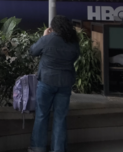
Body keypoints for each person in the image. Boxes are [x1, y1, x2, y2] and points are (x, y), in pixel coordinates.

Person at [28, 15, 80, 152]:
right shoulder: (73, 42)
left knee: (41, 115)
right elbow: (75, 56)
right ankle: (58, 149)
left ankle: (37, 148)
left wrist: (44, 35)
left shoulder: (47, 39)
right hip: (65, 83)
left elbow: (32, 51)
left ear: (53, 28)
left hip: (46, 81)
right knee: (60, 118)